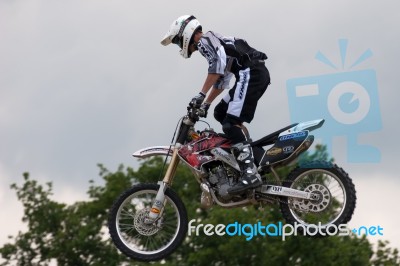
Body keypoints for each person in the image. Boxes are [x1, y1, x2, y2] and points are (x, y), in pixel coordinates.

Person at [161, 15, 270, 194]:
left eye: (178, 41)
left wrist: (201, 95)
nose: (180, 46)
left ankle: (249, 173)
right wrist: (207, 104)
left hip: (251, 74)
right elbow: (222, 79)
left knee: (230, 121)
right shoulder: (214, 42)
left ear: (185, 33)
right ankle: (251, 157)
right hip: (251, 74)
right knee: (220, 113)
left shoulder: (204, 41)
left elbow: (216, 67)